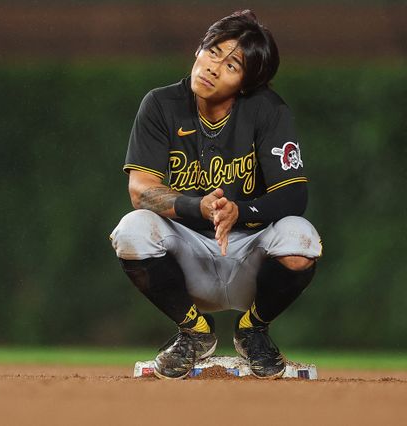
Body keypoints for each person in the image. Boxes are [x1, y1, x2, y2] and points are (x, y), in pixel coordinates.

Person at [110, 10, 322, 380]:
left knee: (301, 238)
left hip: (249, 256)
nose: (213, 67)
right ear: (199, 49)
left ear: (246, 83)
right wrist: (198, 206)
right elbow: (140, 190)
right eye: (213, 52)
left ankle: (253, 329)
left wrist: (239, 211)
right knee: (131, 230)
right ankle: (194, 331)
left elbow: (294, 195)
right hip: (187, 255)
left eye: (232, 65)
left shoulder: (268, 110)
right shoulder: (160, 104)